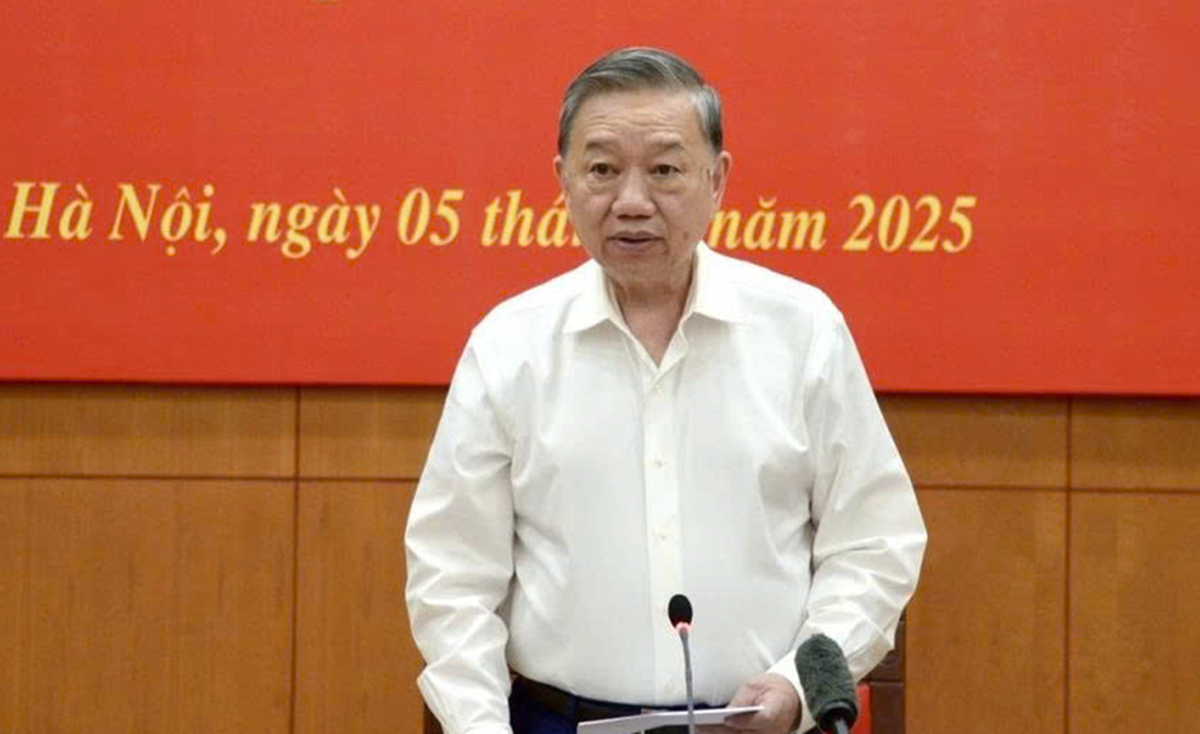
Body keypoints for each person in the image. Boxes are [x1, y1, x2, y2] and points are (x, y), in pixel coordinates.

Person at [405, 47, 926, 734]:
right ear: (562, 181)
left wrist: (799, 685)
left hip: (756, 725)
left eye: (664, 171)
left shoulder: (803, 332)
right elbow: (451, 578)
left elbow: (874, 544)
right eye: (602, 170)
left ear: (718, 180)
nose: (631, 202)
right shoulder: (509, 346)